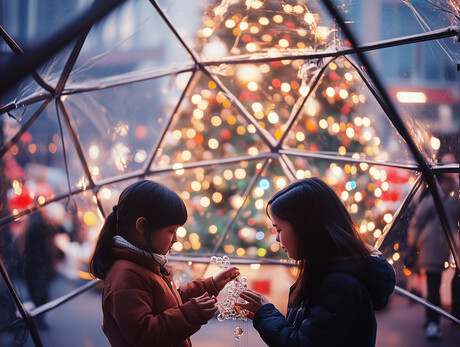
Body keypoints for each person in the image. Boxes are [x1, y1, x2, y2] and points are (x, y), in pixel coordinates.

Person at [238, 177, 395, 347]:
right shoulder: (328, 276)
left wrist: (266, 314)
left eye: (279, 229)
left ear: (305, 228)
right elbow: (309, 333)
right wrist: (267, 316)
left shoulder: (338, 286)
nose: (276, 238)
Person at [89, 180, 239, 347]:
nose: (175, 239)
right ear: (142, 226)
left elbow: (169, 302)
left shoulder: (144, 265)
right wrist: (192, 313)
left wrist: (210, 285)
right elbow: (145, 335)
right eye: (171, 231)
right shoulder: (126, 276)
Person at [407, 156, 458, 340]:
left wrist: (413, 244)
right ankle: (433, 321)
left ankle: (433, 320)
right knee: (434, 285)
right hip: (435, 247)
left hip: (439, 246)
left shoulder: (442, 194)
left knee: (434, 285)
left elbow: (417, 221)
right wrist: (413, 245)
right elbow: (418, 220)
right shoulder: (442, 196)